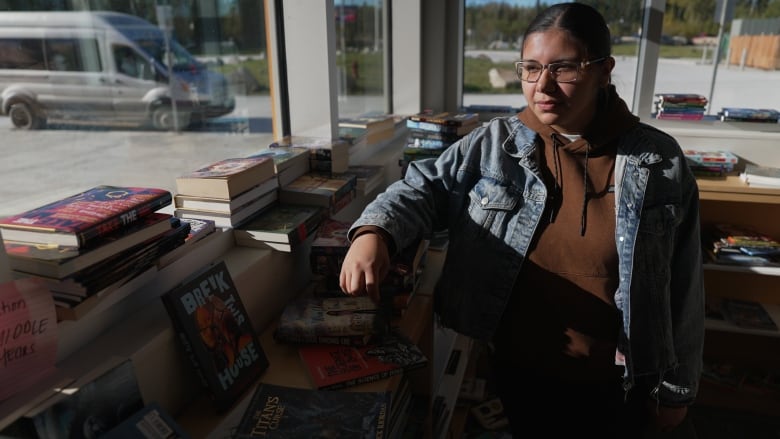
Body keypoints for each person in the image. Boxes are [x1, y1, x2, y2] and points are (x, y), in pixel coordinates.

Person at [339, 2, 704, 437]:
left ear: (603, 70)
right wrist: (373, 231)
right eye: (530, 68)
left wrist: (676, 391)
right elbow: (424, 186)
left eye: (564, 68)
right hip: (518, 368)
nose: (543, 85)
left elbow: (683, 287)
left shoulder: (659, 161)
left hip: (618, 383)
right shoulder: (495, 143)